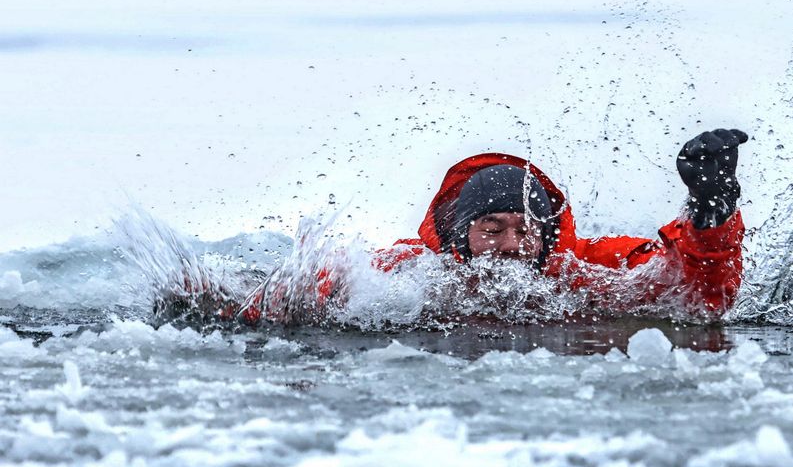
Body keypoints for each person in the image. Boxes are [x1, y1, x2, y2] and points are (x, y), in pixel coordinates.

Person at [236, 128, 748, 323]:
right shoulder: (414, 272)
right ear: (461, 233)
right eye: (492, 227)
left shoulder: (589, 268)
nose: (510, 245)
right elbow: (327, 284)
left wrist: (711, 215)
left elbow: (696, 292)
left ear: (546, 236)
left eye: (526, 230)